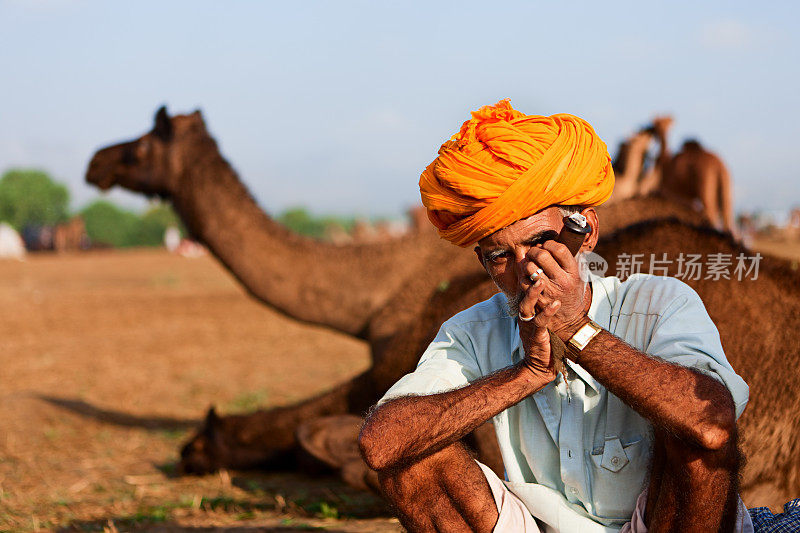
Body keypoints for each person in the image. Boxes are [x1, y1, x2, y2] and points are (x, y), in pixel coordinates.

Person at [358, 100, 752, 532]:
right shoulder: (473, 331)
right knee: (410, 457)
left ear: (587, 232)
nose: (527, 267)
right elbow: (380, 445)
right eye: (500, 255)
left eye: (541, 241)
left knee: (697, 446)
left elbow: (713, 427)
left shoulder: (658, 304)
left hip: (662, 521)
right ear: (483, 264)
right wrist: (528, 373)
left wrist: (576, 330)